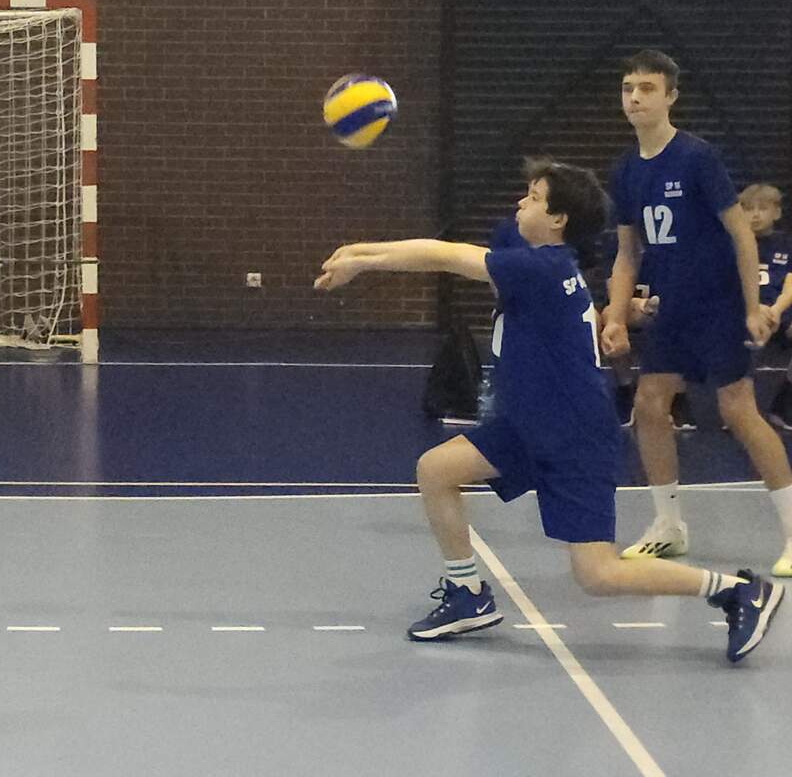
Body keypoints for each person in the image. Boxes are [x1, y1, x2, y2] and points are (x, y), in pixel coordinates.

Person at [315, 159, 783, 662]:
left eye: (535, 198)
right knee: (437, 469)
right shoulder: (538, 260)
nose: (522, 202)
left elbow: (444, 254)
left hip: (574, 437)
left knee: (598, 574)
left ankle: (737, 591)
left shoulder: (544, 269)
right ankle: (468, 594)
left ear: (559, 220)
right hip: (527, 424)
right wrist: (361, 252)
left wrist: (362, 258)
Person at [600, 51, 792, 575]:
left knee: (737, 409)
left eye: (646, 88)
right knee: (649, 404)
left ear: (670, 97)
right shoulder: (625, 170)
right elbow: (627, 253)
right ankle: (668, 526)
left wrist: (752, 307)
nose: (634, 97)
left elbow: (741, 234)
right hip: (672, 307)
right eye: (627, 88)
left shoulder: (697, 157)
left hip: (719, 304)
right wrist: (615, 317)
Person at [739, 183, 792, 430]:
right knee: (750, 333)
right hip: (744, 311)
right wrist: (753, 309)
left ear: (777, 212)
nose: (756, 215)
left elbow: (790, 284)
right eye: (749, 209)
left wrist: (777, 310)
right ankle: (740, 407)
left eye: (762, 208)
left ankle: (784, 401)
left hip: (778, 312)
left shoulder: (785, 244)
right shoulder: (732, 243)